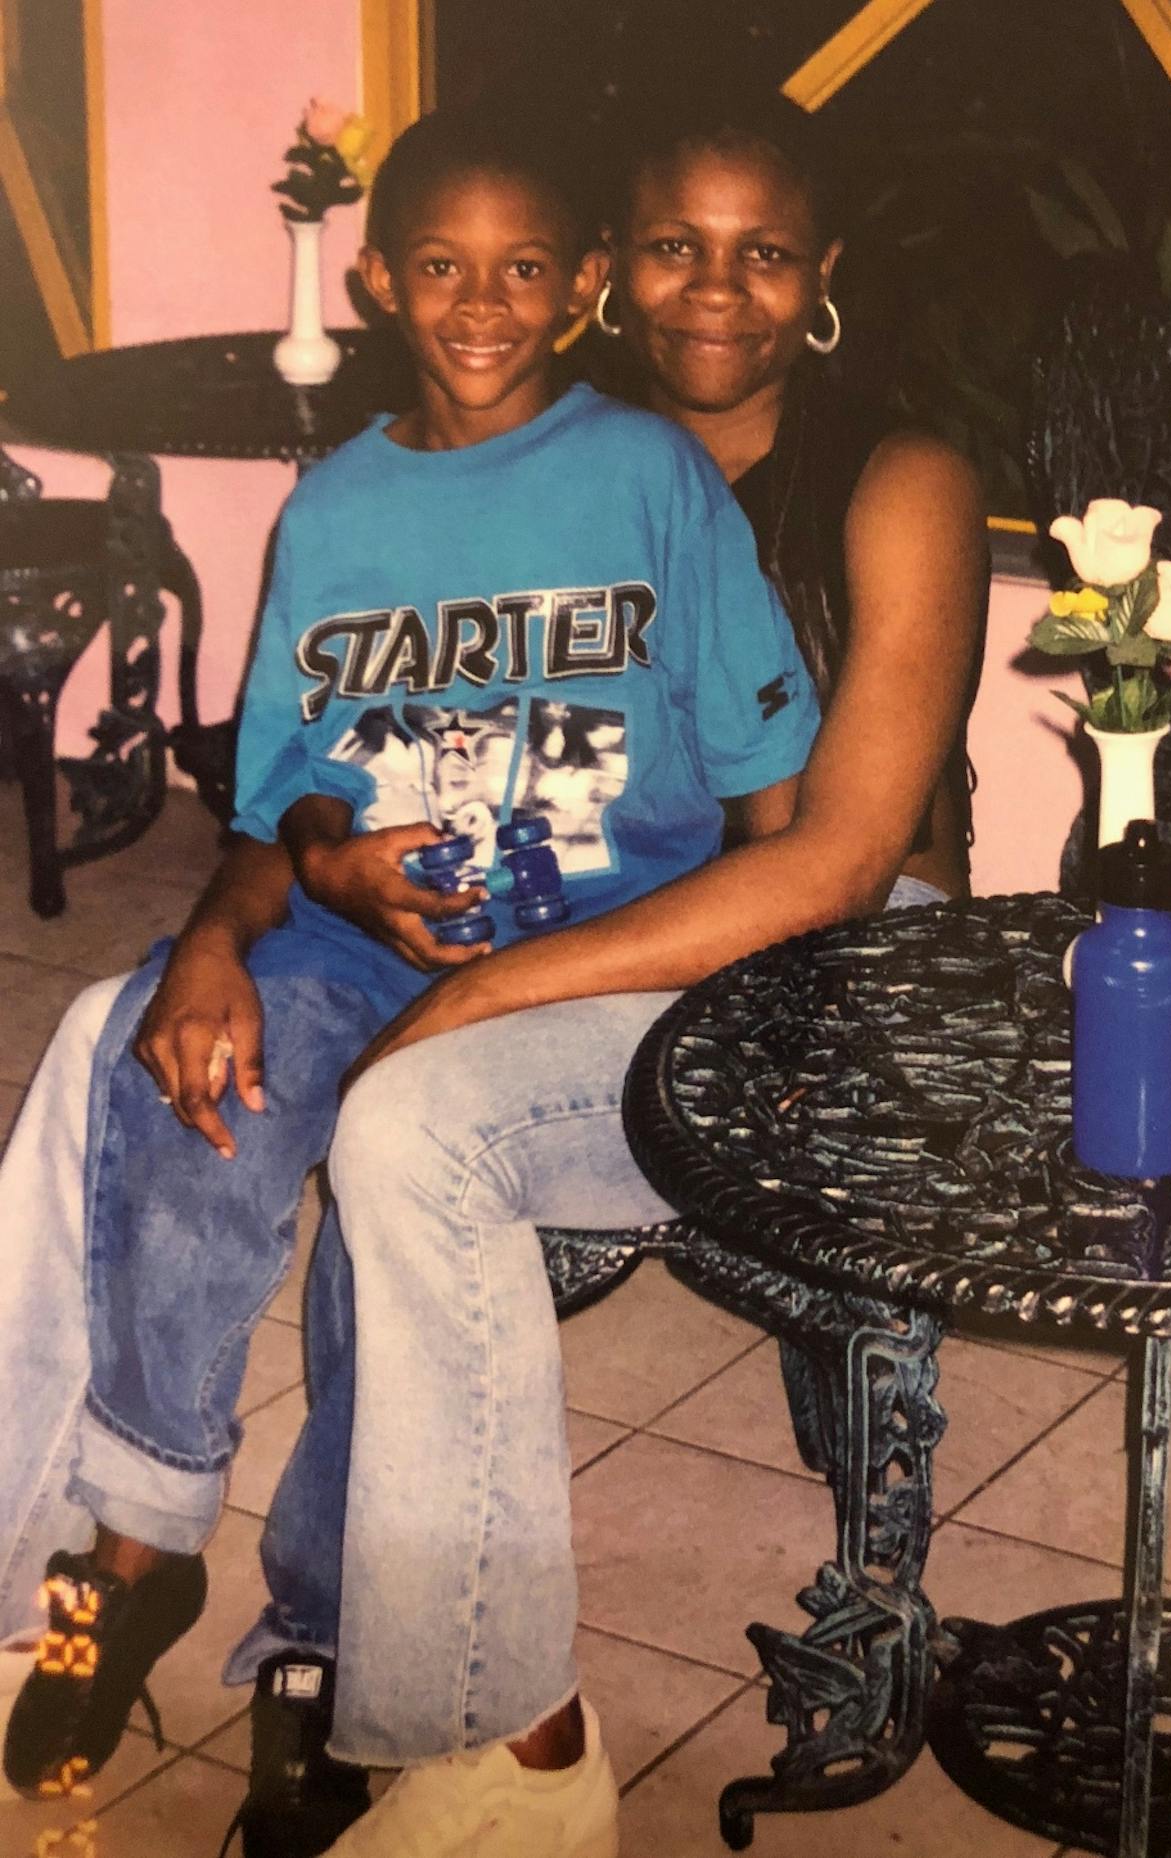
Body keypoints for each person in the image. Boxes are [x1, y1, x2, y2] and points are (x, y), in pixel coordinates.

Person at [0, 106, 822, 1854]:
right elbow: (281, 793)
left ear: (584, 289)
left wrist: (776, 1002)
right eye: (440, 268)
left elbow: (773, 795)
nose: (480, 304)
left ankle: (325, 1635)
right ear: (379, 281)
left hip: (591, 972)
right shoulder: (339, 505)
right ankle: (137, 1552)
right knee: (184, 1074)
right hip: (359, 939)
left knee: (404, 1165)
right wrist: (239, 924)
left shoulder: (650, 479)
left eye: (524, 271)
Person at [206, 91, 989, 1858]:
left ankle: (491, 1750)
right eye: (675, 246)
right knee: (388, 1134)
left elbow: (845, 857)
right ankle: (479, 1715)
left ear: (825, 276)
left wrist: (484, 992)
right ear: (610, 281)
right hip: (618, 976)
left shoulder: (901, 473)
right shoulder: (554, 463)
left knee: (417, 1107)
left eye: (767, 249)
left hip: (842, 979)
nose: (721, 288)